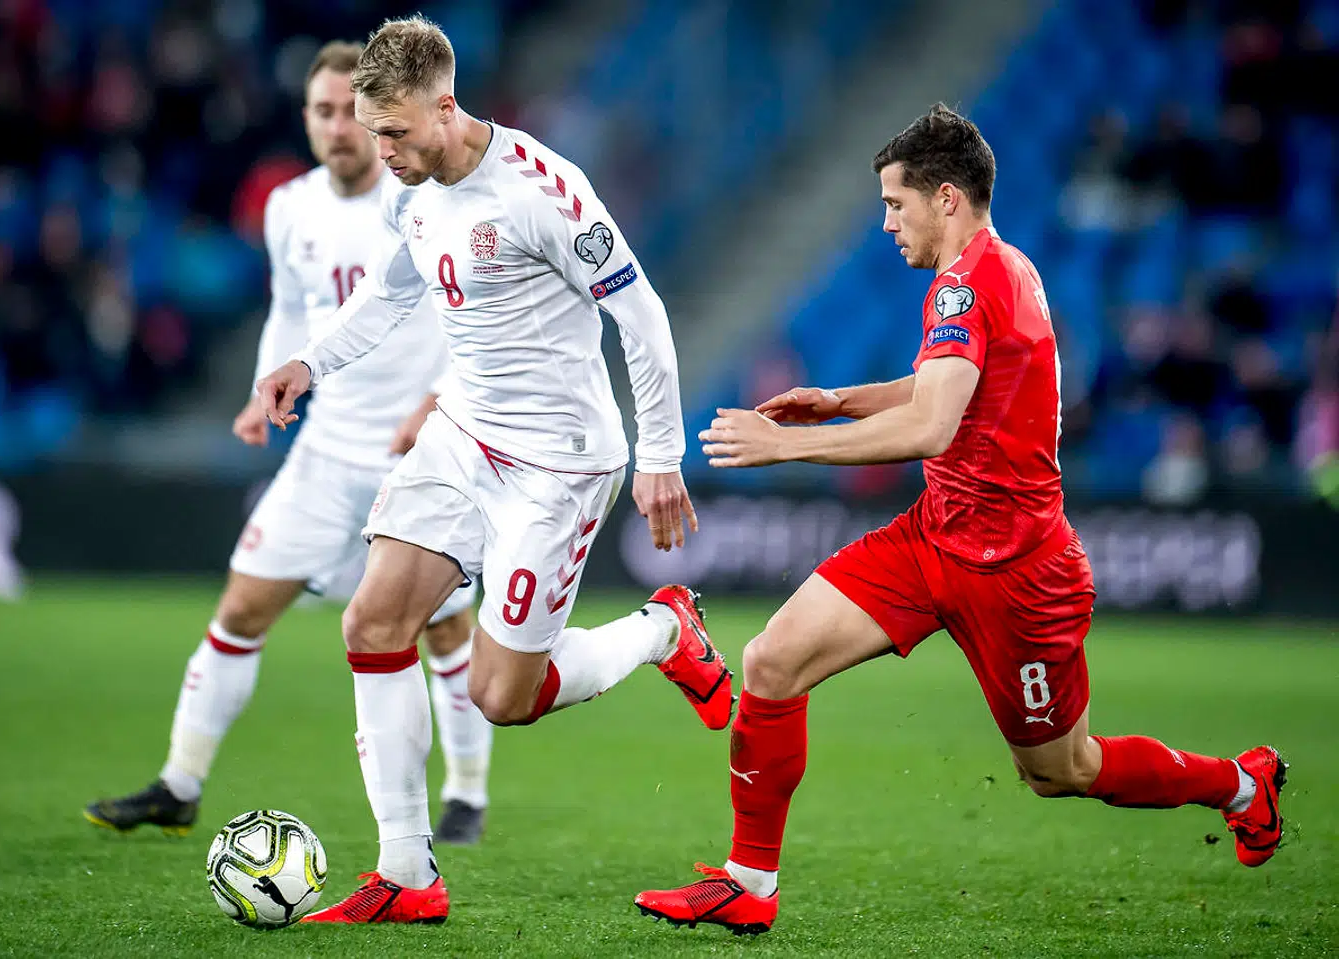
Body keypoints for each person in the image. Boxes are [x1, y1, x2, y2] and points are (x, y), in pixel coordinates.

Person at [633, 104, 1288, 936]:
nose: (885, 222)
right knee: (771, 661)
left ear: (945, 198)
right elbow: (940, 387)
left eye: (894, 203)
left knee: (1062, 768)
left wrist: (781, 447)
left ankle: (1240, 782)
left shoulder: (970, 279)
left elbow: (931, 426)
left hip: (1018, 571)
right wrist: (837, 402)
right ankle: (748, 881)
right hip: (935, 536)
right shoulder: (995, 268)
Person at [253, 17, 733, 925]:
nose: (378, 149)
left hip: (558, 463)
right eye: (369, 129)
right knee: (373, 619)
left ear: (446, 106)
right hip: (462, 432)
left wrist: (661, 455)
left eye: (393, 131)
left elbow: (645, 319)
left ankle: (664, 630)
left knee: (501, 695)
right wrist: (310, 363)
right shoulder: (413, 190)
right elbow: (392, 292)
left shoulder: (543, 191)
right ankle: (407, 872)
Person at [84, 41, 493, 846]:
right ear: (304, 119)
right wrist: (263, 384)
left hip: (422, 458)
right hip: (327, 453)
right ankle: (180, 781)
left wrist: (442, 402)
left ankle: (466, 796)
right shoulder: (289, 208)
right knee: (240, 607)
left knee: (445, 630)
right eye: (324, 112)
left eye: (353, 113)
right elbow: (292, 309)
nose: (341, 128)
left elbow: (468, 313)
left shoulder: (424, 198)